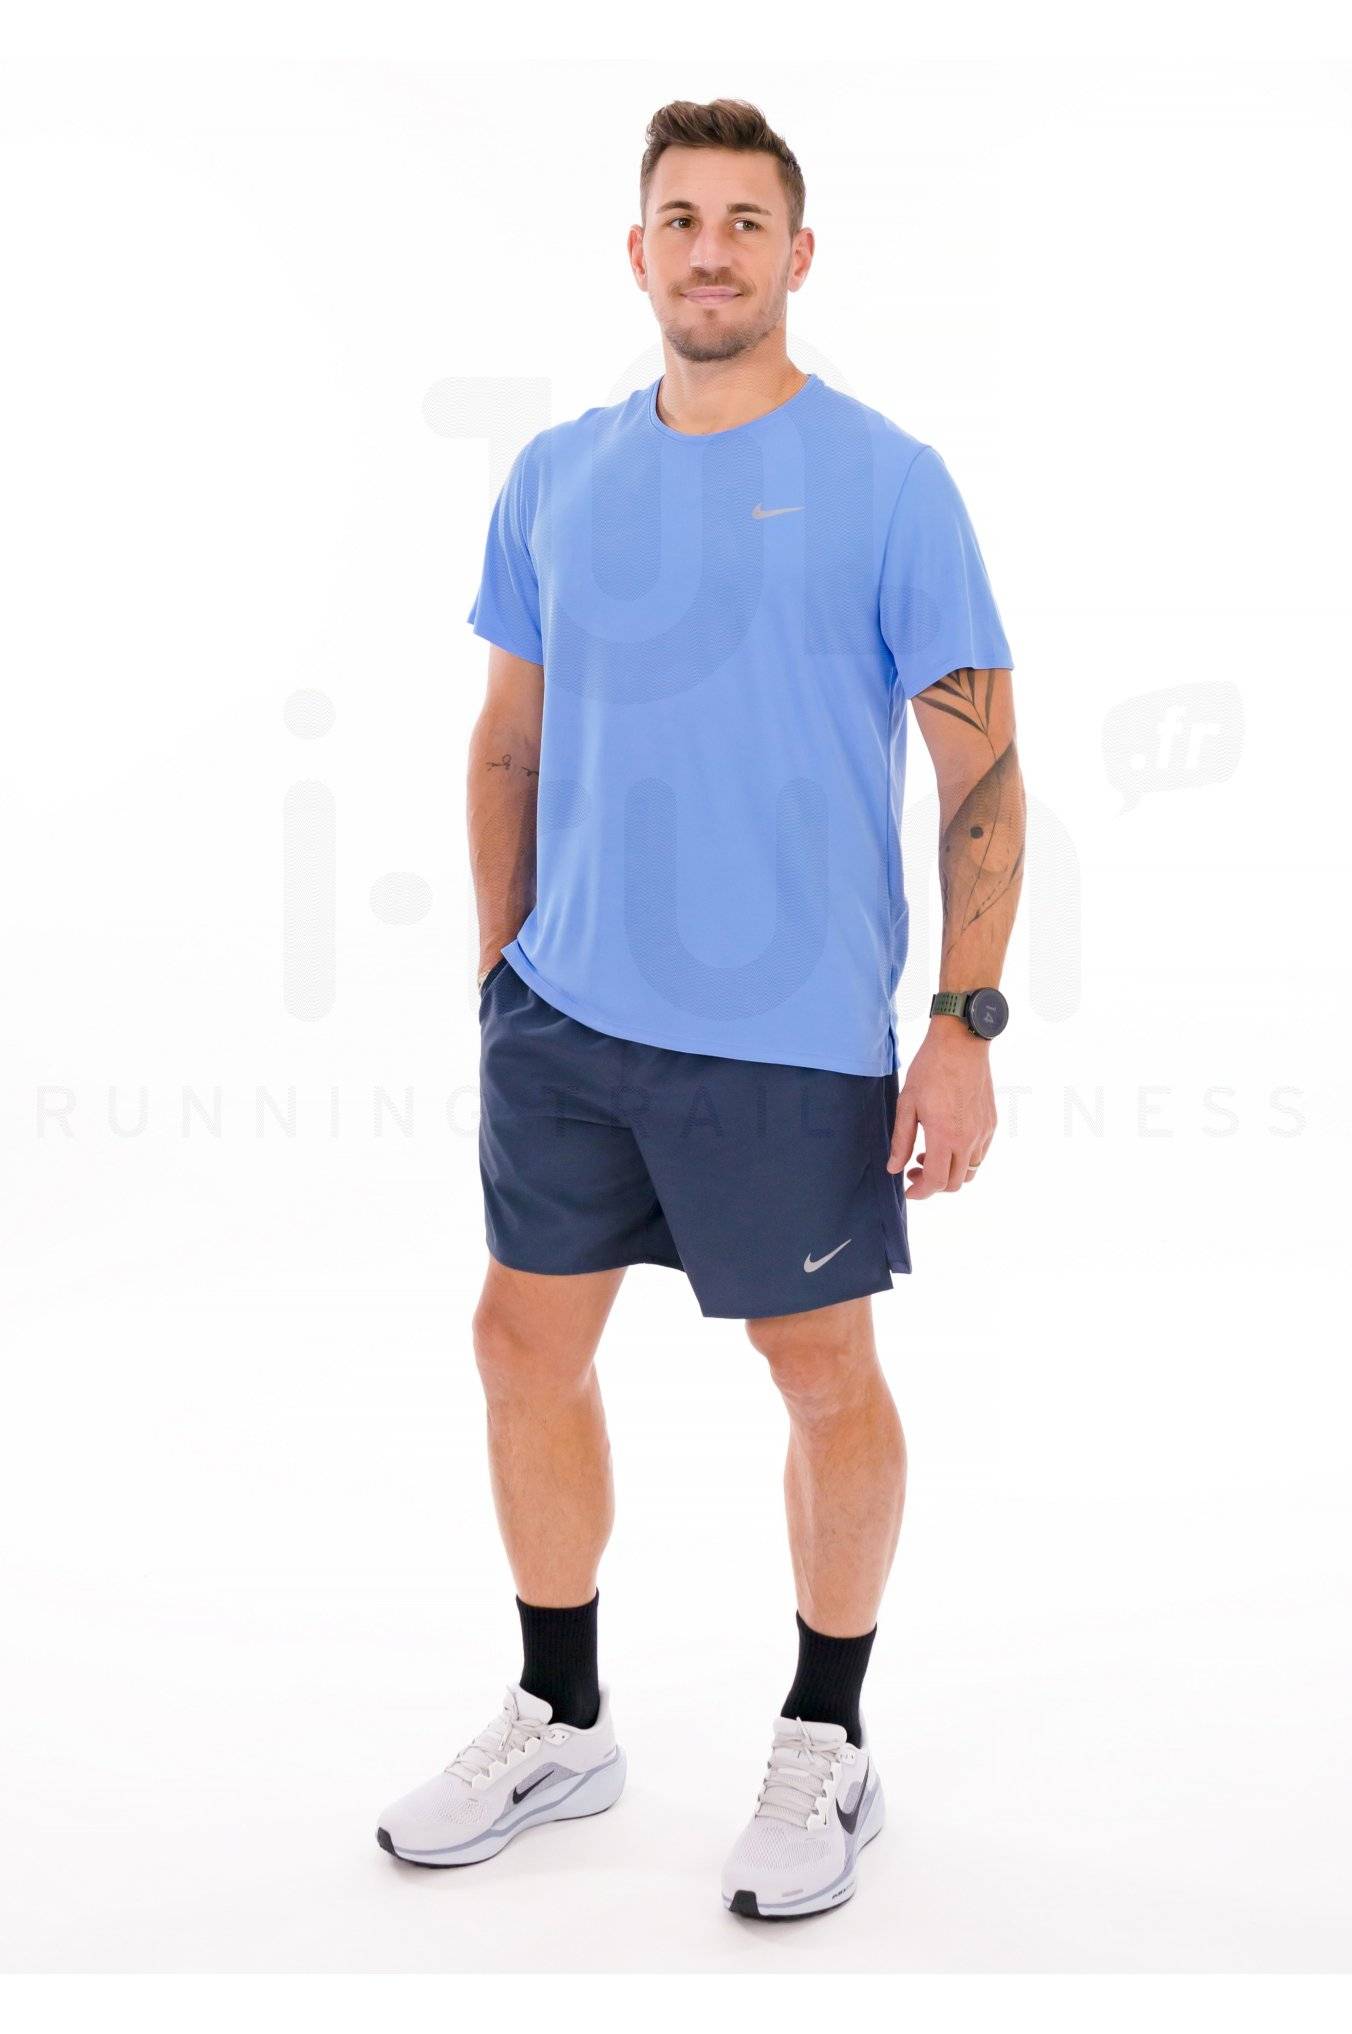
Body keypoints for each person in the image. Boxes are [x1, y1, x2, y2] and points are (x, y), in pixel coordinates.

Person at [377, 96, 1026, 1920]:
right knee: (520, 1345)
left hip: (791, 1034)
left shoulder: (890, 478)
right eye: (682, 217)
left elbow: (983, 769)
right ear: (638, 250)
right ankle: (561, 1713)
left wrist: (963, 1016)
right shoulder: (557, 473)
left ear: (797, 256)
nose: (713, 249)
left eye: (748, 220)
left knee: (818, 1373)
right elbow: (507, 736)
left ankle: (829, 1733)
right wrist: (502, 965)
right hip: (564, 1020)